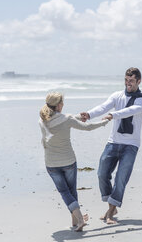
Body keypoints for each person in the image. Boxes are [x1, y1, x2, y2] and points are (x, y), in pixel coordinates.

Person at [80, 67, 142, 224]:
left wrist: (113, 115)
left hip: (131, 145)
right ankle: (112, 206)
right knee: (102, 174)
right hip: (113, 142)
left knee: (121, 178)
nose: (128, 83)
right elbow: (103, 106)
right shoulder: (117, 95)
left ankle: (110, 212)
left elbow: (129, 111)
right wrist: (89, 114)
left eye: (131, 81)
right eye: (126, 80)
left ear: (138, 81)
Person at [39, 91, 109, 231]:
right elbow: (87, 127)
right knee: (71, 191)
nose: (63, 105)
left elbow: (62, 119)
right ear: (59, 105)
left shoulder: (42, 119)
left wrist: (77, 116)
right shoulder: (68, 119)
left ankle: (76, 221)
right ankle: (80, 219)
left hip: (51, 164)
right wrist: (103, 122)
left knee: (65, 192)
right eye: (62, 103)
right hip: (69, 162)